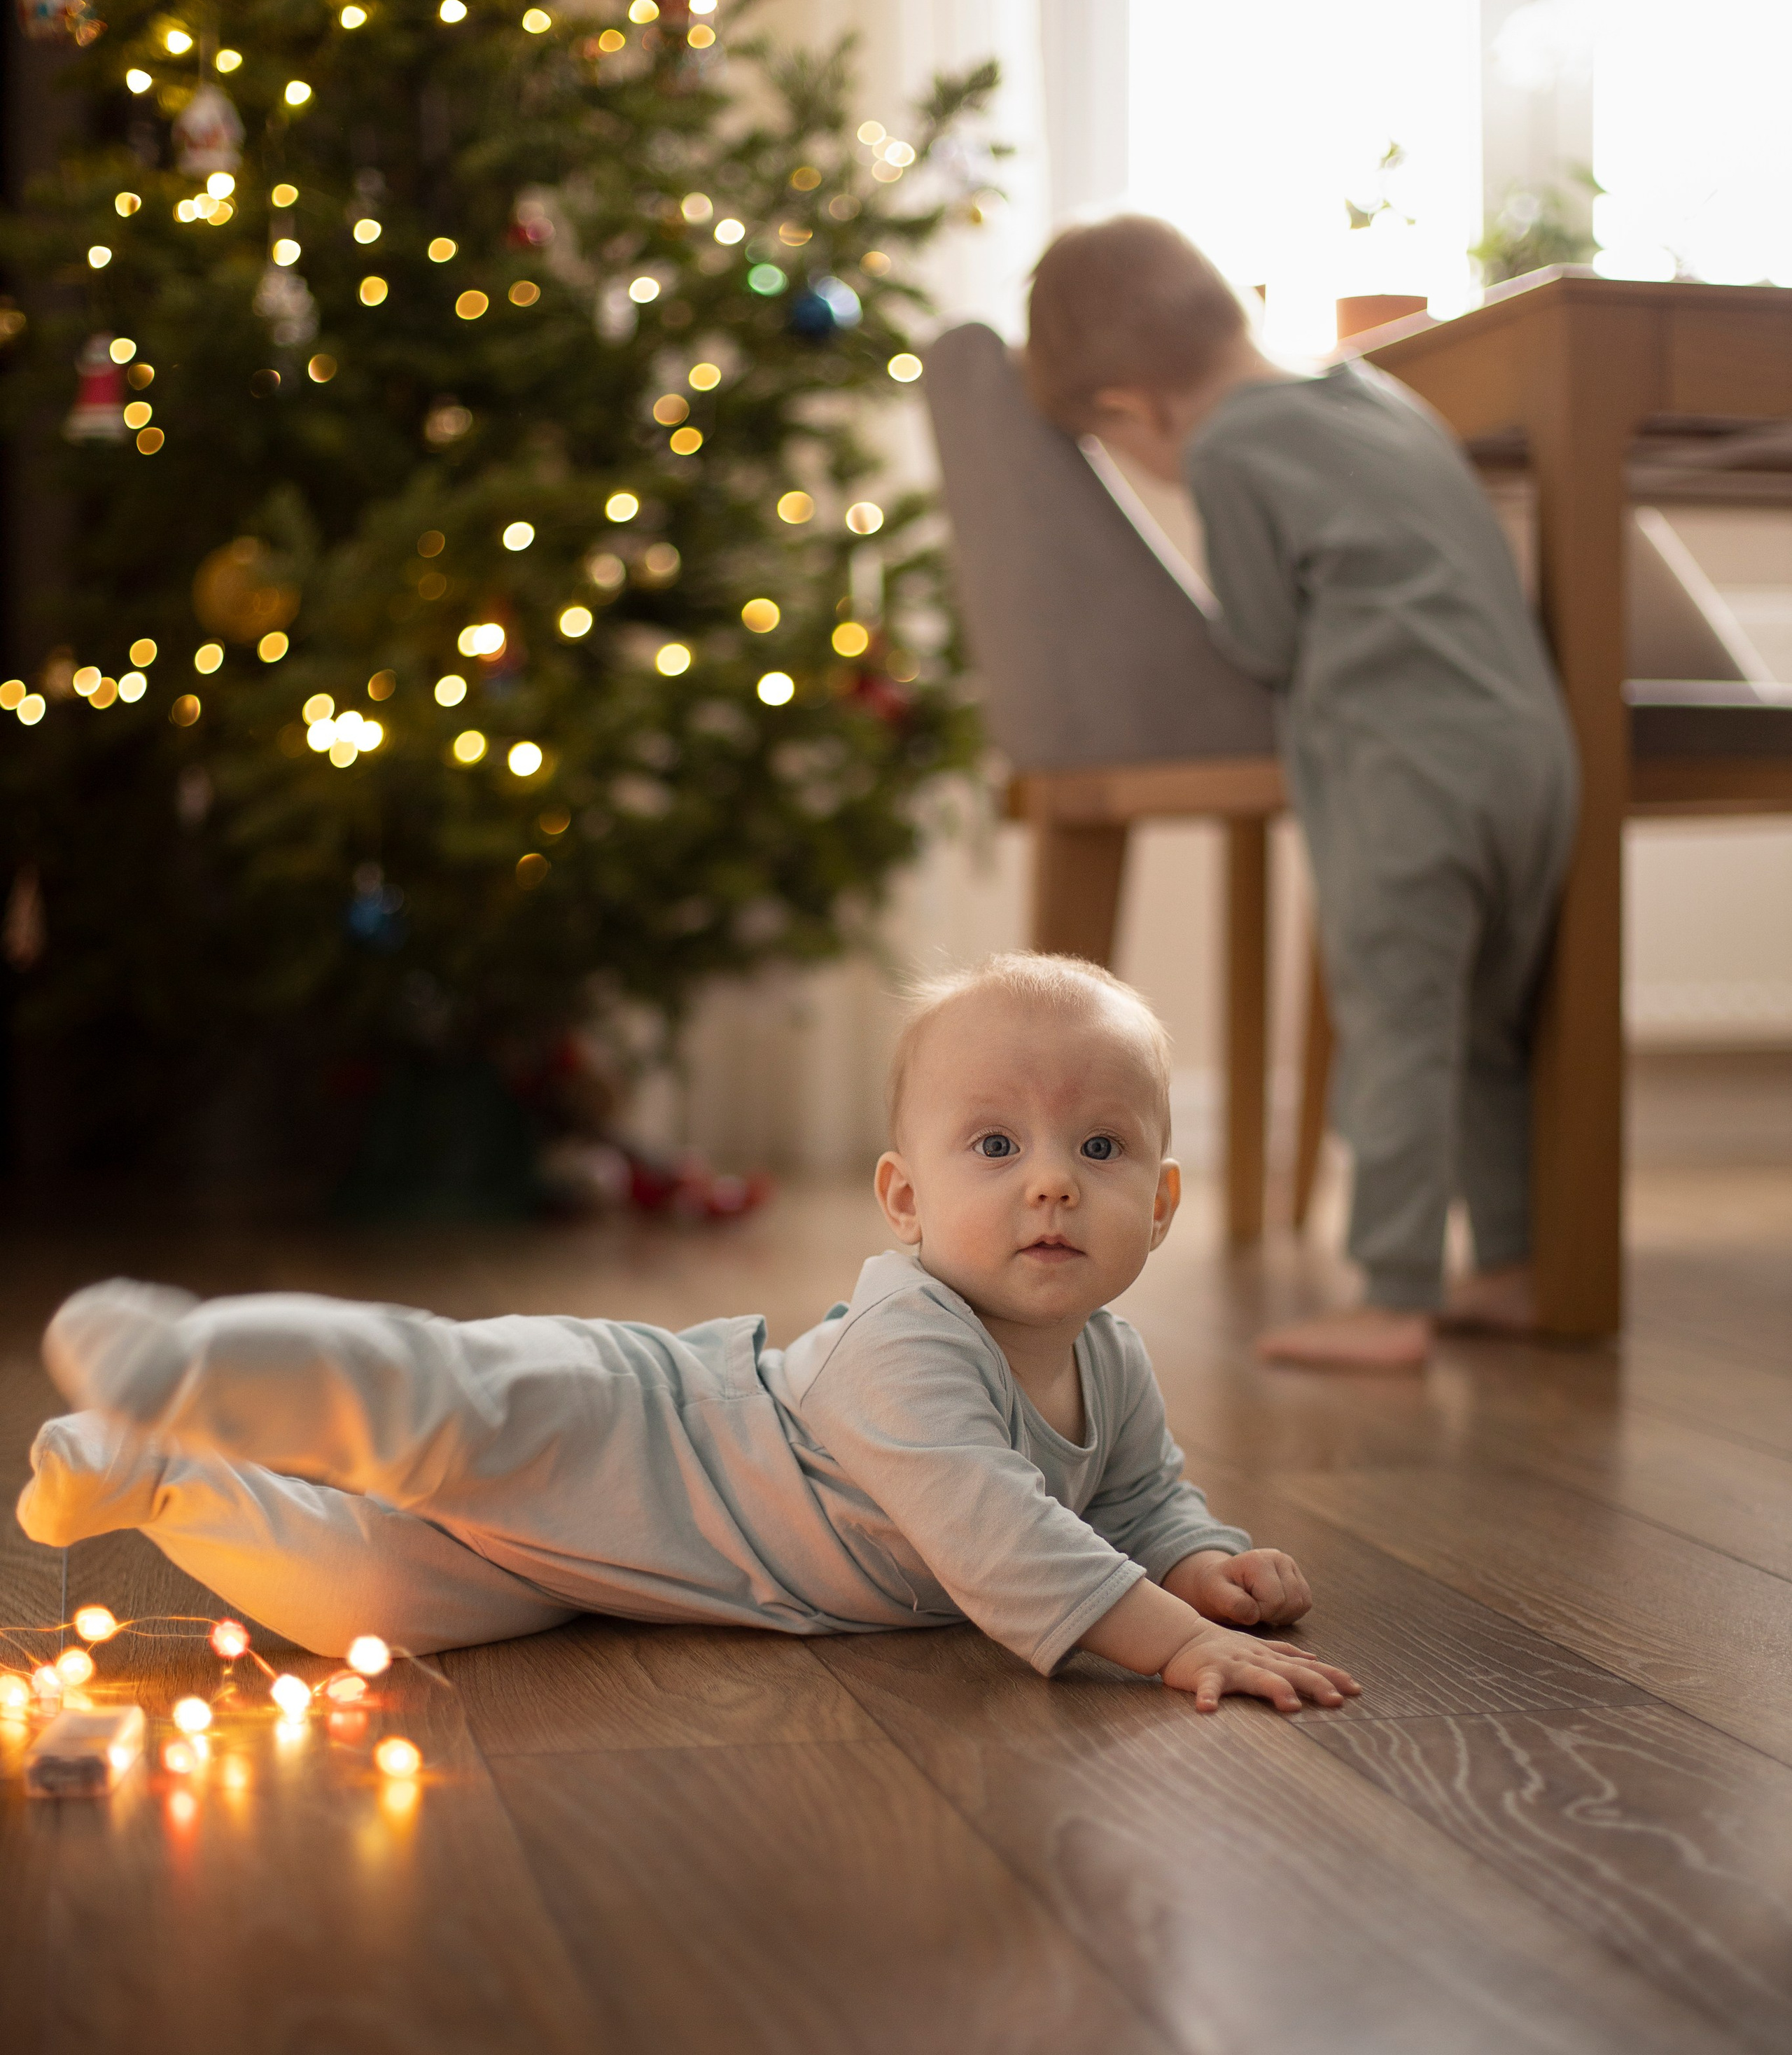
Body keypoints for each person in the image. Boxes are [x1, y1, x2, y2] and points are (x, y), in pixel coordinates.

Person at [20, 954, 1358, 1714]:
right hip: (637, 1427)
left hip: (632, 1570)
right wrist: (1175, 1645)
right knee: (434, 1399)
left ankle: (150, 1478)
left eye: (1101, 1147)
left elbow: (1137, 1495)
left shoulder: (1108, 1362)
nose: (1051, 1180)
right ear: (905, 1199)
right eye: (995, 1144)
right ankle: (190, 1365)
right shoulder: (913, 1338)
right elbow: (1002, 1538)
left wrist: (1196, 1564)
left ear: (1164, 1203)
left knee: (372, 1598)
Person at [1026, 216, 1578, 1371]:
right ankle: (1519, 1260)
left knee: (1397, 1027)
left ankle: (1391, 1296)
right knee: (1488, 1024)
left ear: (1134, 410)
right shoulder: (1378, 398)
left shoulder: (1228, 449)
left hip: (1402, 769)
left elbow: (1270, 639)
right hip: (1531, 754)